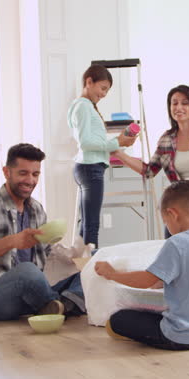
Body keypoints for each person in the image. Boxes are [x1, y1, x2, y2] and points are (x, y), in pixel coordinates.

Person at [0, 143, 84, 322]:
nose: (30, 180)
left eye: (35, 174)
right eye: (23, 173)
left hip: (30, 297)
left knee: (92, 268)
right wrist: (12, 241)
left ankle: (57, 305)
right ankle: (65, 304)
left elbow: (48, 254)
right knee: (28, 272)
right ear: (6, 172)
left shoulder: (36, 209)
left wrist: (76, 255)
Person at [94, 180, 189, 350]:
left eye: (165, 221)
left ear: (173, 214)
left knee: (117, 319)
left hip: (181, 336)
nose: (167, 226)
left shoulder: (177, 243)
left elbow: (144, 281)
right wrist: (162, 280)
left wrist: (111, 273)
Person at [111, 85, 189, 236]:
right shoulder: (166, 140)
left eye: (184, 103)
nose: (178, 107)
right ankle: (174, 256)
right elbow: (149, 171)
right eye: (174, 103)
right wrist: (117, 152)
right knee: (171, 218)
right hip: (185, 197)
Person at [68, 64, 137, 248]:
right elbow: (86, 143)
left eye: (107, 90)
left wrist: (118, 141)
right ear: (89, 82)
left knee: (87, 224)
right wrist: (117, 143)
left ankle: (82, 268)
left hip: (90, 166)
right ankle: (89, 269)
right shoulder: (83, 107)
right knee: (92, 225)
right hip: (90, 167)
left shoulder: (85, 106)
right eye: (103, 88)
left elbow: (92, 140)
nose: (104, 94)